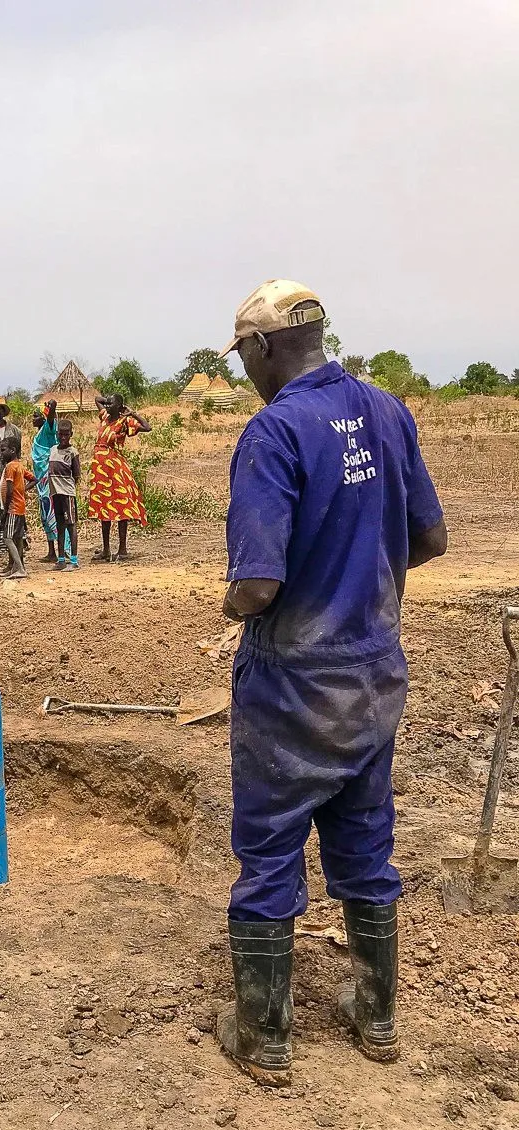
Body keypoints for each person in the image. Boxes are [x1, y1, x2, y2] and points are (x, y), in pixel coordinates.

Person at [214, 280, 447, 1088]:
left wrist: (232, 604)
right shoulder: (386, 411)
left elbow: (257, 584)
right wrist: (362, 574)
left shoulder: (274, 432)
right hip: (374, 675)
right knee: (365, 838)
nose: (245, 370)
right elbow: (431, 537)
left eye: (243, 355)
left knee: (270, 847)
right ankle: (377, 1018)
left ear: (261, 347)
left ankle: (264, 1033)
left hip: (293, 684)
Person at [87, 393, 151, 562]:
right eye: (107, 403)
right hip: (100, 470)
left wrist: (131, 412)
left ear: (120, 406)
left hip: (116, 469)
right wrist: (109, 401)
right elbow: (97, 399)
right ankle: (106, 549)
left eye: (111, 403)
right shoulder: (104, 416)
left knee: (122, 506)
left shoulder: (124, 422)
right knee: (103, 507)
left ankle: (122, 550)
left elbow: (147, 427)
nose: (107, 405)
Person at [30, 399, 67, 563]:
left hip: (49, 479)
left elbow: (51, 418)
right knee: (45, 515)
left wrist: (52, 408)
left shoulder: (48, 429)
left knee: (53, 514)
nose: (33, 418)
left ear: (44, 417)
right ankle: (52, 551)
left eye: (36, 415)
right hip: (41, 481)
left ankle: (64, 551)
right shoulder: (39, 434)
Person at [0, 398, 21, 555]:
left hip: (11, 474)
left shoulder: (14, 430)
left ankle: (11, 542)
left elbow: (18, 454)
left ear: (3, 411)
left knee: (10, 507)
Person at [0, 435, 33, 580]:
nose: (1, 453)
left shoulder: (10, 467)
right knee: (17, 538)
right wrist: (23, 490)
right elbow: (34, 479)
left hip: (13, 508)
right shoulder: (19, 465)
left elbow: (10, 491)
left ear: (12, 450)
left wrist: (5, 510)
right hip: (20, 507)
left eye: (3, 450)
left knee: (7, 538)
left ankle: (20, 568)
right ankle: (16, 568)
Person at [48, 419, 81, 571]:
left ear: (71, 434)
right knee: (59, 525)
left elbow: (77, 475)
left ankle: (74, 560)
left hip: (67, 493)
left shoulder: (73, 452)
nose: (63, 438)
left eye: (66, 435)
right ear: (57, 434)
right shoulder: (53, 450)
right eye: (60, 434)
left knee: (71, 525)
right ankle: (61, 559)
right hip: (56, 494)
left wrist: (68, 487)